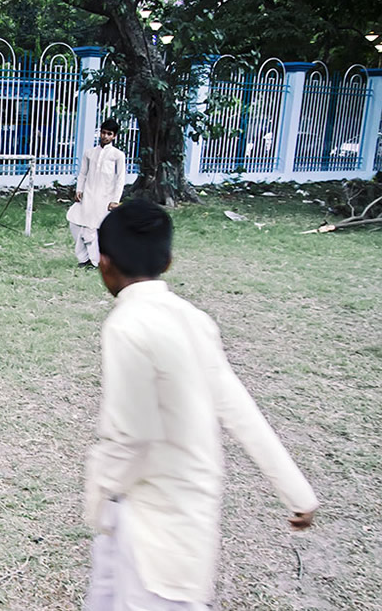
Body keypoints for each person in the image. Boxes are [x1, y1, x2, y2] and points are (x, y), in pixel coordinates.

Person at [83, 199, 318, 610]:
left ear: (104, 263)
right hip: (186, 523)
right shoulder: (193, 318)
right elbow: (239, 409)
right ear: (168, 261)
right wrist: (297, 492)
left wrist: (98, 497)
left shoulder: (126, 325)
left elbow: (131, 437)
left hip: (152, 535)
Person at [67, 118, 126, 268]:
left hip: (105, 198)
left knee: (91, 230)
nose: (105, 136)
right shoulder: (90, 153)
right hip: (88, 195)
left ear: (114, 136)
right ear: (99, 133)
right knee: (74, 222)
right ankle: (85, 258)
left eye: (109, 134)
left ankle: (93, 262)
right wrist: (79, 190)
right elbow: (82, 174)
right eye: (103, 132)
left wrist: (115, 200)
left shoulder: (117, 155)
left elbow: (120, 179)